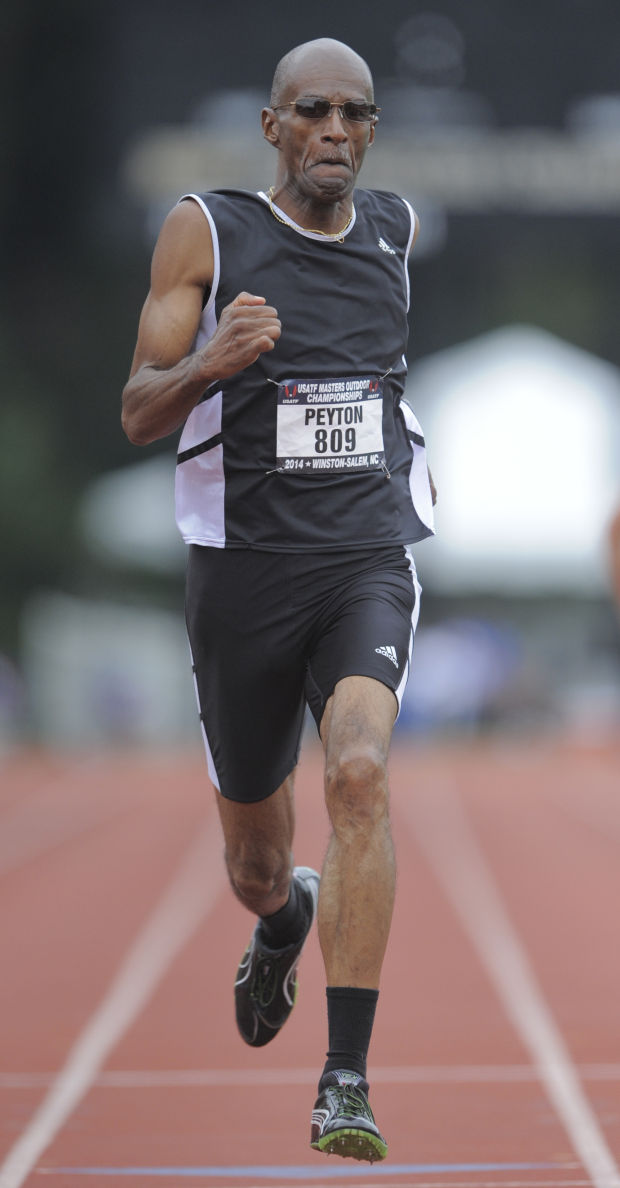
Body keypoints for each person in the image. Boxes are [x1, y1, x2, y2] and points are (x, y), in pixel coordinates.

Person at [122, 37, 435, 1163]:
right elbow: (136, 412)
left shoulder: (396, 232)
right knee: (254, 862)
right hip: (242, 574)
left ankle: (343, 1079)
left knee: (357, 772)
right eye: (313, 113)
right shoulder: (207, 230)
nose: (336, 134)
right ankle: (284, 919)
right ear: (272, 128)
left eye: (355, 114)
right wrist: (216, 361)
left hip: (365, 555)